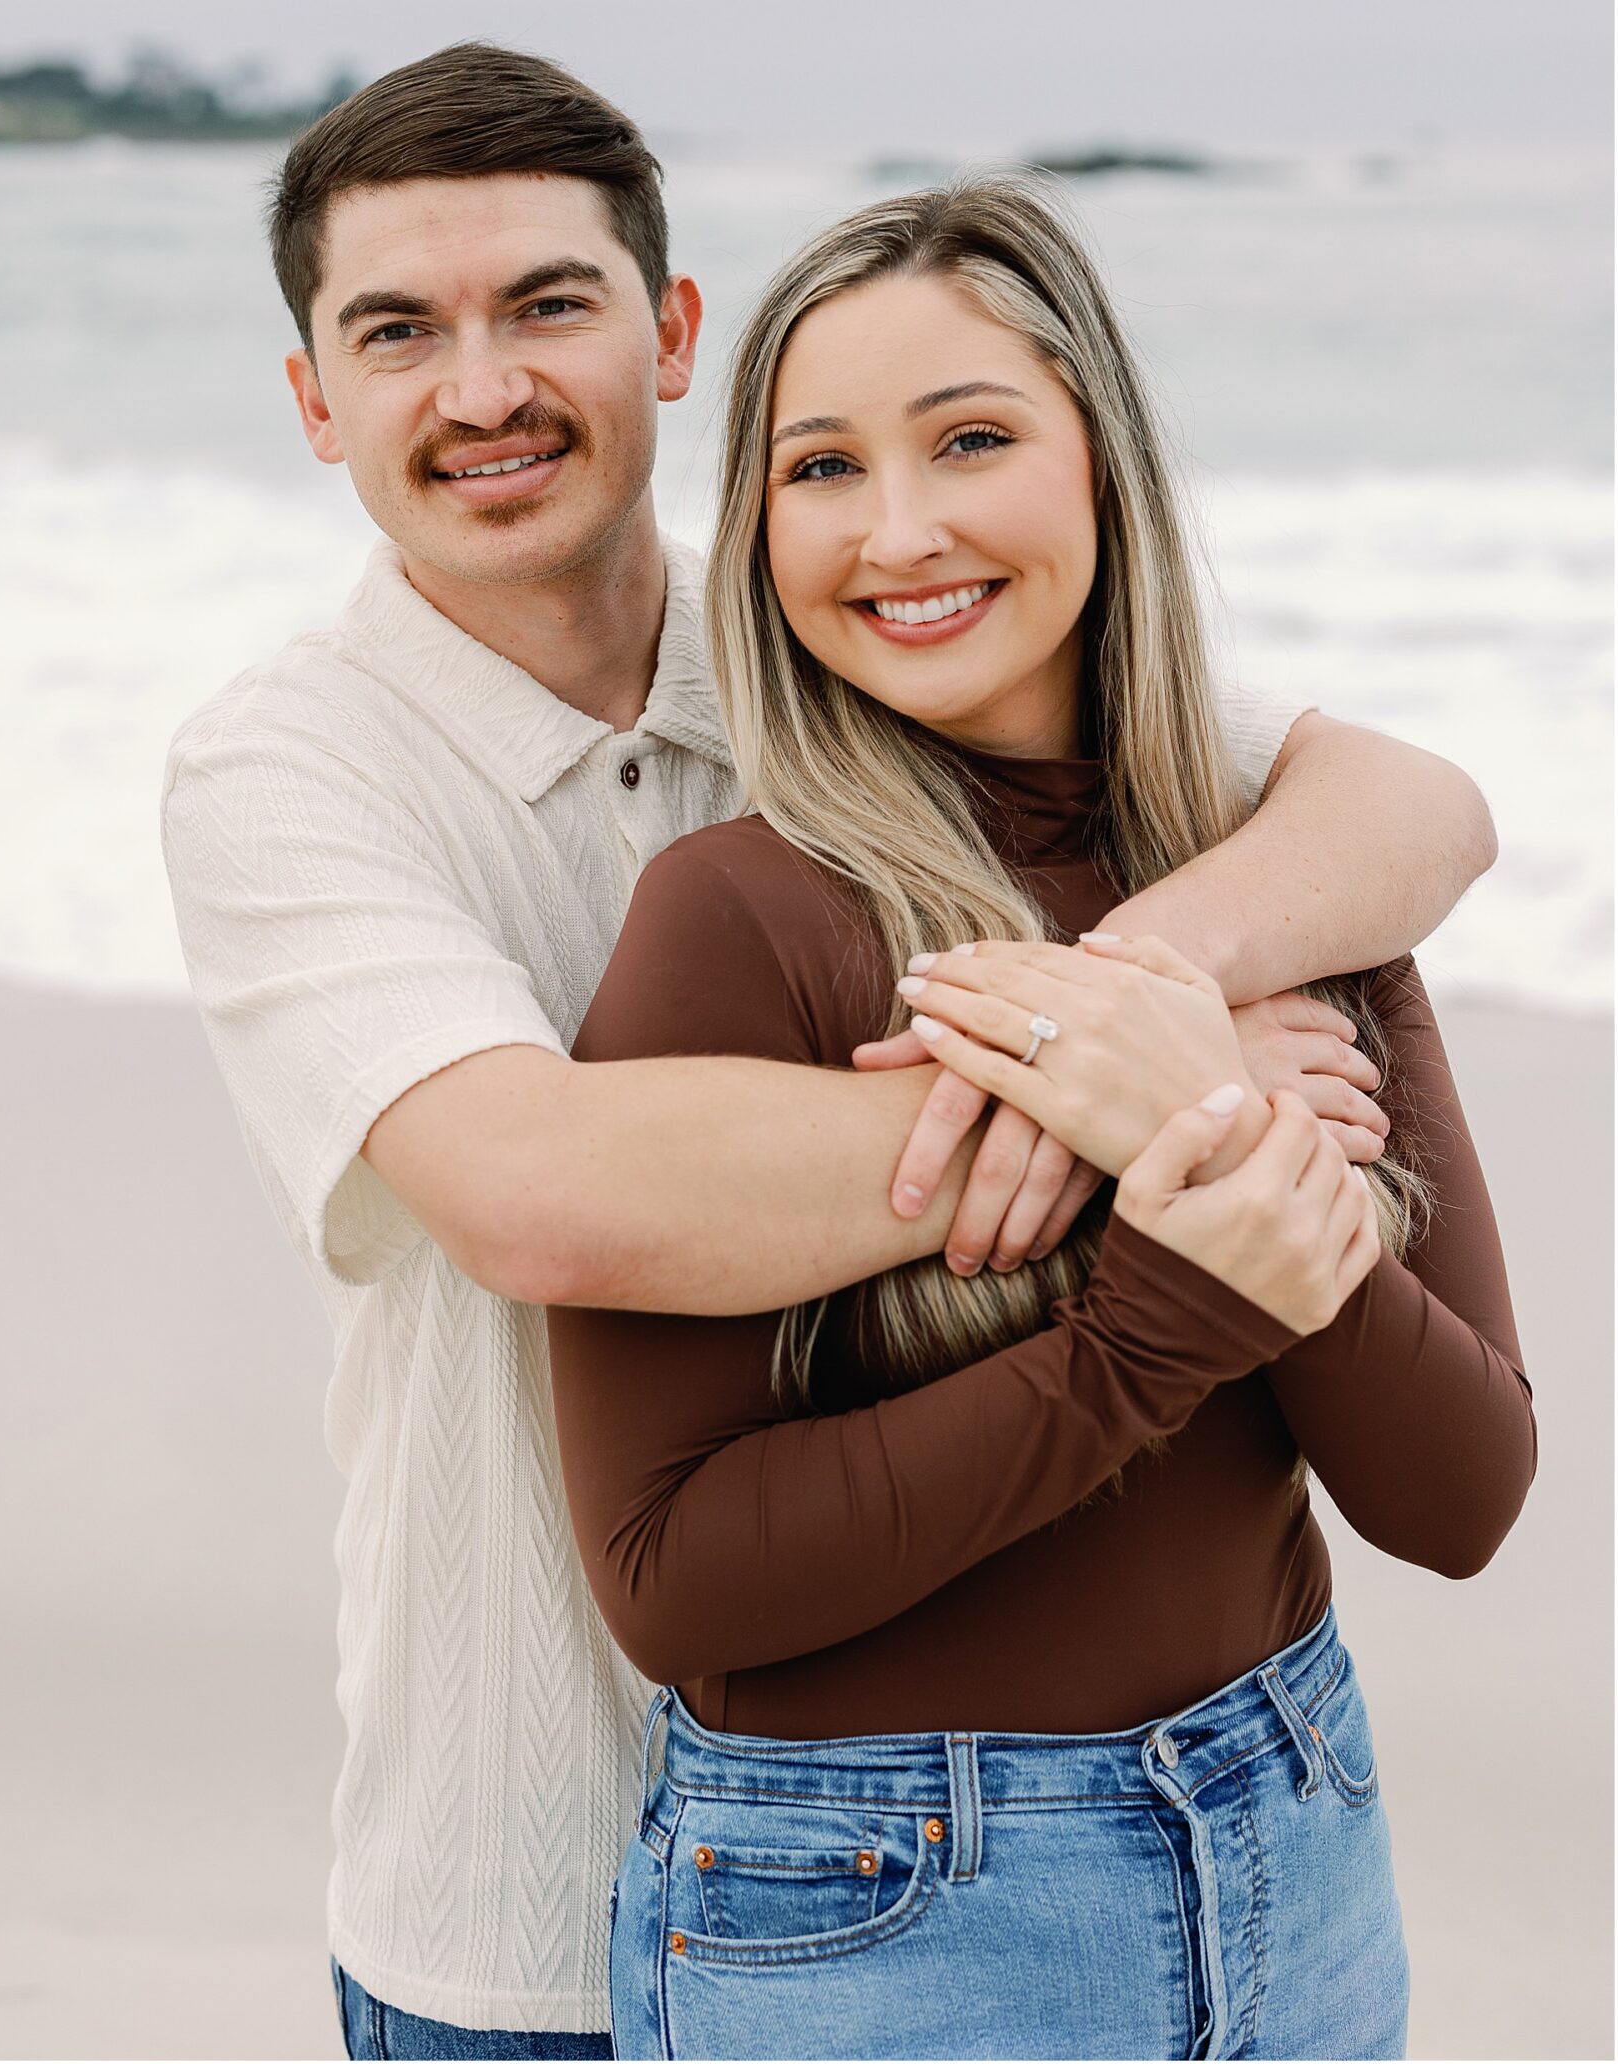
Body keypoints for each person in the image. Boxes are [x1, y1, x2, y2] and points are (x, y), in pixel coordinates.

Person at [161, 46, 1499, 2061]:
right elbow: (536, 1192)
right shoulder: (288, 768)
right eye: (398, 331)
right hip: (529, 1866)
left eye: (547, 304)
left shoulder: (867, 622)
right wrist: (1158, 1108)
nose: (483, 386)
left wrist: (1148, 991)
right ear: (313, 399)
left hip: (1212, 1821)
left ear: (668, 333)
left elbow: (1398, 804)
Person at [547, 176, 1535, 2061]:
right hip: (879, 1908)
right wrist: (1165, 1299)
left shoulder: (1283, 885)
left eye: (971, 438)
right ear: (755, 532)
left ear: (1102, 461)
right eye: (819, 469)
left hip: (1292, 1828)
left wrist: (1204, 1115)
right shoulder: (738, 917)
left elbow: (1463, 1495)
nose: (896, 530)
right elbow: (675, 1582)